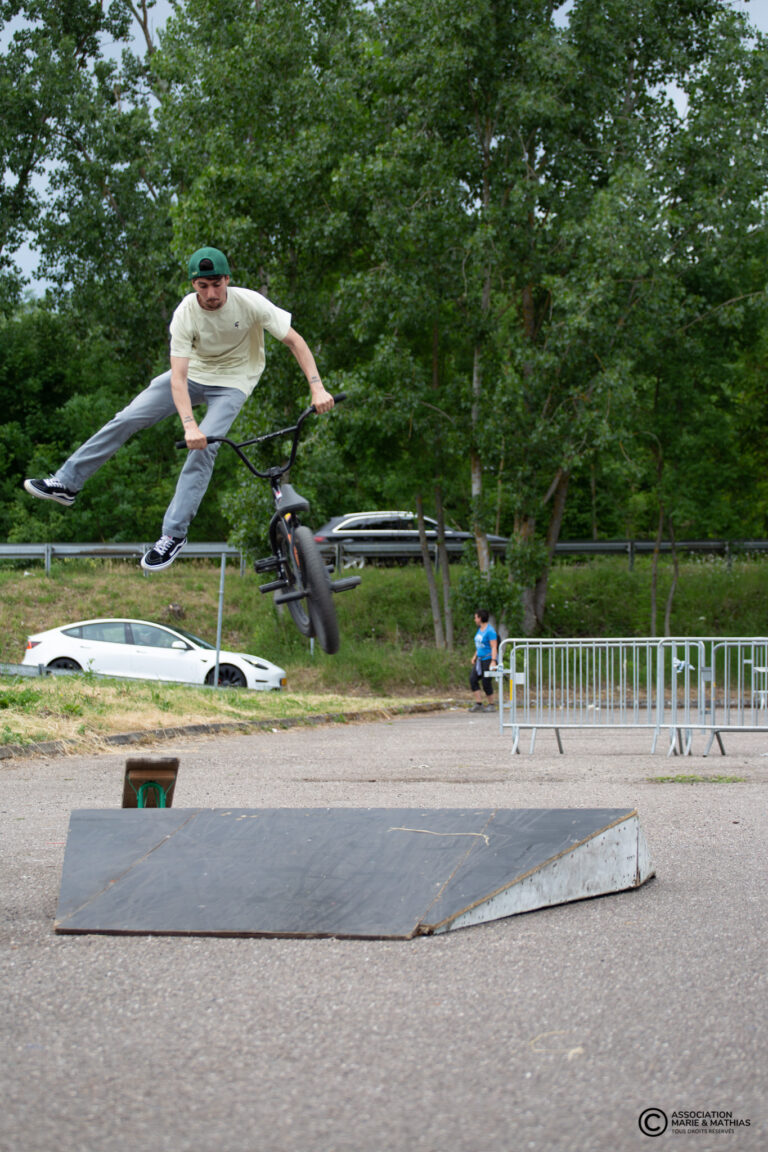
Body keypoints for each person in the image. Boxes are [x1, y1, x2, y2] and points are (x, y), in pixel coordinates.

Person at [23, 246, 334, 571]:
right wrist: (189, 424)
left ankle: (173, 535)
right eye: (203, 286)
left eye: (217, 284)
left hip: (234, 383)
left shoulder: (250, 303)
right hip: (192, 377)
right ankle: (67, 482)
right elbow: (179, 377)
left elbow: (295, 341)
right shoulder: (186, 313)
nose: (211, 294)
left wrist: (317, 387)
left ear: (227, 279)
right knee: (128, 417)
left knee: (205, 448)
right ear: (193, 285)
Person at [468, 609, 498, 712]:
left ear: (480, 618)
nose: (474, 619)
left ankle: (491, 705)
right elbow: (480, 645)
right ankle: (479, 703)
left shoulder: (490, 631)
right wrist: (475, 656)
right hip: (480, 660)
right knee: (473, 679)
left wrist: (493, 661)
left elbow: (494, 647)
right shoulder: (479, 629)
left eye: (475, 617)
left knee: (486, 682)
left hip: (488, 659)